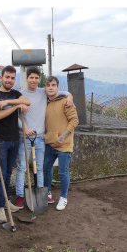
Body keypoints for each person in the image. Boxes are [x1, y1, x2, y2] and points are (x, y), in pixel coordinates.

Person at [15, 67, 74, 205]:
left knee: (40, 167)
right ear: (26, 78)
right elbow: (15, 116)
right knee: (22, 167)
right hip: (25, 138)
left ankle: (42, 193)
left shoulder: (43, 92)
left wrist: (70, 96)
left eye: (36, 78)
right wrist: (25, 128)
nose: (34, 80)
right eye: (31, 77)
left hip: (41, 138)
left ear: (39, 79)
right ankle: (19, 196)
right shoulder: (20, 95)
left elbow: (63, 92)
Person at [0, 66, 31, 222]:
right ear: (1, 77)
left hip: (15, 139)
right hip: (0, 141)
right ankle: (0, 207)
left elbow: (27, 101)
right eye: (7, 77)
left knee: (7, 174)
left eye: (12, 78)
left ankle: (6, 202)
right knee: (1, 174)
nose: (9, 80)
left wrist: (9, 101)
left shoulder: (15, 94)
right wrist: (17, 106)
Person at [43, 76, 79, 211]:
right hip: (49, 143)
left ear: (58, 87)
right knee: (46, 169)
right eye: (48, 85)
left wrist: (64, 135)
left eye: (53, 85)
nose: (51, 87)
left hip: (64, 144)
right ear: (45, 88)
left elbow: (74, 121)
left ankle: (63, 197)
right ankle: (47, 192)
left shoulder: (66, 102)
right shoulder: (44, 102)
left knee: (63, 172)